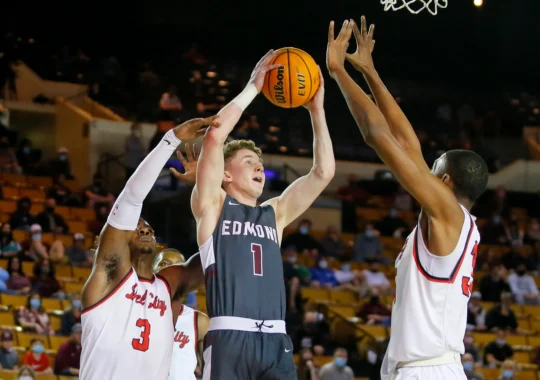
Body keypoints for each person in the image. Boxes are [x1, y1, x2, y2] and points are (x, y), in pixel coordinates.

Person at [326, 17, 488, 380]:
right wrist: (370, 72)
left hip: (426, 372)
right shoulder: (454, 219)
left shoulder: (448, 213)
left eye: (433, 166)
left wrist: (338, 72)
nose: (423, 167)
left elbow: (379, 137)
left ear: (445, 181)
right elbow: (404, 141)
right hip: (428, 369)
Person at [191, 50, 334, 379]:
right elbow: (214, 136)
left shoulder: (276, 213)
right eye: (247, 162)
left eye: (259, 164)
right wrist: (254, 88)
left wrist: (316, 110)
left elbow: (323, 172)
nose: (258, 167)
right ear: (225, 175)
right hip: (230, 337)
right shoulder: (213, 205)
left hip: (275, 340)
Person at [79, 117, 217, 380]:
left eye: (149, 228)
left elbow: (218, 251)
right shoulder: (107, 278)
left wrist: (209, 190)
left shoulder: (168, 284)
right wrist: (171, 140)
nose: (144, 230)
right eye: (137, 226)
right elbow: (131, 198)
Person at [152, 249, 209, 380]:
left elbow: (211, 370)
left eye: (179, 265)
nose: (172, 269)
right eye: (164, 264)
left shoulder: (199, 321)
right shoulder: (135, 311)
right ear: (152, 270)